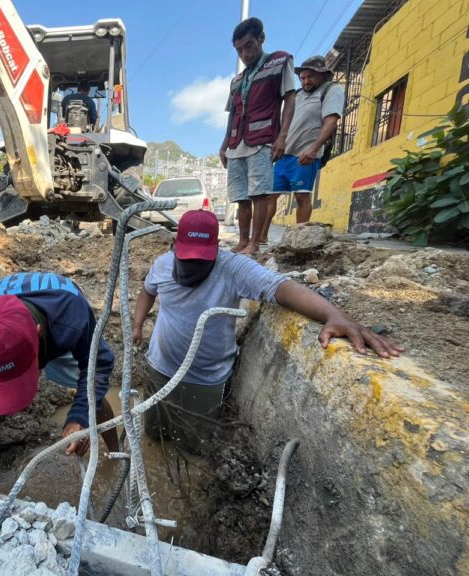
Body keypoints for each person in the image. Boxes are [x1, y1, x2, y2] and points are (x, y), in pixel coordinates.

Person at [132, 210, 403, 453]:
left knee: (195, 444)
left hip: (206, 378)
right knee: (155, 435)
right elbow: (148, 290)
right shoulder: (162, 265)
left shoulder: (232, 268)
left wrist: (334, 315)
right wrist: (137, 325)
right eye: (188, 258)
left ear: (216, 250)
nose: (193, 266)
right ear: (175, 246)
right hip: (161, 367)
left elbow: (282, 288)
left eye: (202, 259)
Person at [0, 272, 119, 484]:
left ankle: (116, 453)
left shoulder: (71, 317)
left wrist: (80, 418)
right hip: (10, 335)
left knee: (92, 396)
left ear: (37, 333)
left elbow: (98, 366)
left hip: (55, 331)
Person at [219, 17, 296, 255]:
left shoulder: (278, 61)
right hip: (236, 143)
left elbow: (289, 98)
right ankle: (243, 241)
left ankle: (255, 242)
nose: (245, 54)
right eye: (239, 50)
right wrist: (223, 146)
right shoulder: (237, 80)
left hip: (262, 139)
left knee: (259, 194)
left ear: (261, 39)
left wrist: (282, 137)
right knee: (241, 196)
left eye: (249, 46)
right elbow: (232, 114)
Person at [263, 55, 344, 231]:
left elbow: (331, 122)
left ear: (322, 75)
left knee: (302, 197)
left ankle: (299, 237)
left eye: (310, 77)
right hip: (284, 155)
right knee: (269, 196)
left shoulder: (331, 90)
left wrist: (314, 150)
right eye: (303, 78)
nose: (306, 81)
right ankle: (261, 238)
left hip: (305, 155)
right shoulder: (298, 95)